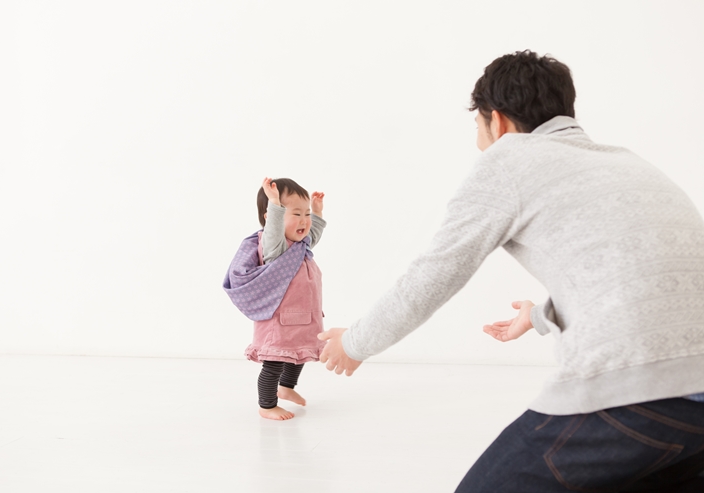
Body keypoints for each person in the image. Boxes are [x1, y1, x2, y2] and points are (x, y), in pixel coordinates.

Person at [317, 50, 704, 491]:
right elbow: (642, 272)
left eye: (479, 128)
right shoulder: (627, 162)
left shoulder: (509, 159)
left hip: (638, 388)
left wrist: (355, 342)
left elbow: (435, 274)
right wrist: (540, 315)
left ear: (496, 121)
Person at [223, 177, 326, 420]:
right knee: (274, 364)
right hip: (279, 322)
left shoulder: (300, 246)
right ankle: (267, 405)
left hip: (302, 319)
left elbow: (314, 234)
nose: (304, 220)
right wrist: (274, 204)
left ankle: (286, 388)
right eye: (296, 213)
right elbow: (274, 226)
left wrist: (318, 213)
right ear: (272, 216)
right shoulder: (275, 247)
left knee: (299, 355)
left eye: (306, 214)